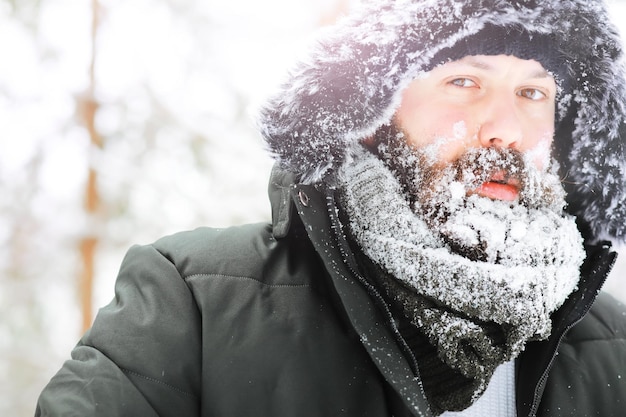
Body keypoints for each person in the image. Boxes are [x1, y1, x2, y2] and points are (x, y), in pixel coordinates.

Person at [36, 0, 626, 416]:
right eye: (465, 82)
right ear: (372, 117)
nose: (506, 129)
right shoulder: (194, 301)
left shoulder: (615, 345)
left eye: (532, 93)